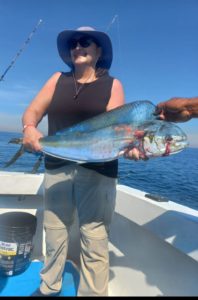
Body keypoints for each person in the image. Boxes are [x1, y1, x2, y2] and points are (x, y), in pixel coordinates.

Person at [22, 26, 131, 296]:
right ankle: (49, 288)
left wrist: (131, 146)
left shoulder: (112, 85)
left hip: (98, 171)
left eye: (85, 42)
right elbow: (32, 112)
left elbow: (117, 130)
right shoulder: (57, 79)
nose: (77, 47)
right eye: (73, 43)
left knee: (94, 237)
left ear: (99, 51)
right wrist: (29, 129)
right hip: (57, 166)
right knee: (54, 232)